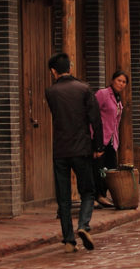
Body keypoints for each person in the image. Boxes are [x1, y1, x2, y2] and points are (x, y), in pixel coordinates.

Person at [45, 52, 103, 253]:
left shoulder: (50, 92)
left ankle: (69, 240)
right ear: (70, 68)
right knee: (88, 191)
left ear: (54, 71)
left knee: (63, 197)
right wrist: (98, 147)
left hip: (60, 150)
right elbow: (95, 120)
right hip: (82, 148)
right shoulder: (84, 89)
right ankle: (83, 225)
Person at [93, 70, 127, 209]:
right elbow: (93, 114)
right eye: (119, 80)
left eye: (124, 82)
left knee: (110, 168)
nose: (121, 84)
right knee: (98, 168)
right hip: (100, 137)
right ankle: (97, 196)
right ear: (112, 80)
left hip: (112, 139)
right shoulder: (103, 94)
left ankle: (103, 194)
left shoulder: (118, 98)